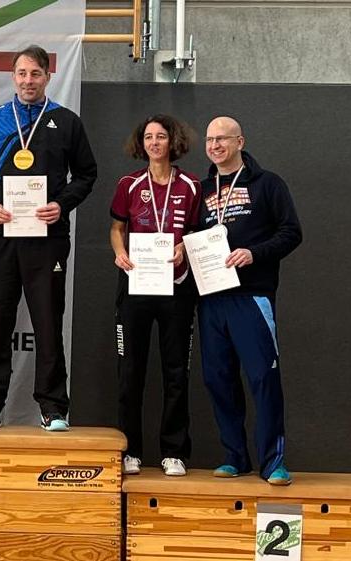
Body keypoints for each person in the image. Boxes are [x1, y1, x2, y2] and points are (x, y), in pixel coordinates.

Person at [0, 45, 97, 431]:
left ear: (48, 77)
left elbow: (86, 174)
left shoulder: (66, 122)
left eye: (35, 73)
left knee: (48, 323)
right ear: (13, 77)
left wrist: (62, 204)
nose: (28, 81)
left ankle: (53, 407)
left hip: (47, 237)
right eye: (22, 73)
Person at [197, 116, 302, 485]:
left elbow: (292, 232)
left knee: (262, 378)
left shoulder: (268, 184)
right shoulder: (201, 189)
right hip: (211, 298)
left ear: (239, 141)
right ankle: (235, 457)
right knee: (218, 380)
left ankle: (273, 462)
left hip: (251, 296)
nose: (215, 146)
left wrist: (254, 253)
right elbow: (191, 235)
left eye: (222, 139)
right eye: (209, 140)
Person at [110, 115, 202, 477]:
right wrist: (119, 252)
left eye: (160, 136)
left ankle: (174, 451)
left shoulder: (191, 185)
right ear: (141, 143)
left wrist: (183, 248)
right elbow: (117, 228)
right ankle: (129, 449)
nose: (154, 142)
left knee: (176, 370)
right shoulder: (129, 184)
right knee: (129, 371)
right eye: (148, 137)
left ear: (173, 141)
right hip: (136, 284)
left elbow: (195, 232)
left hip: (176, 286)